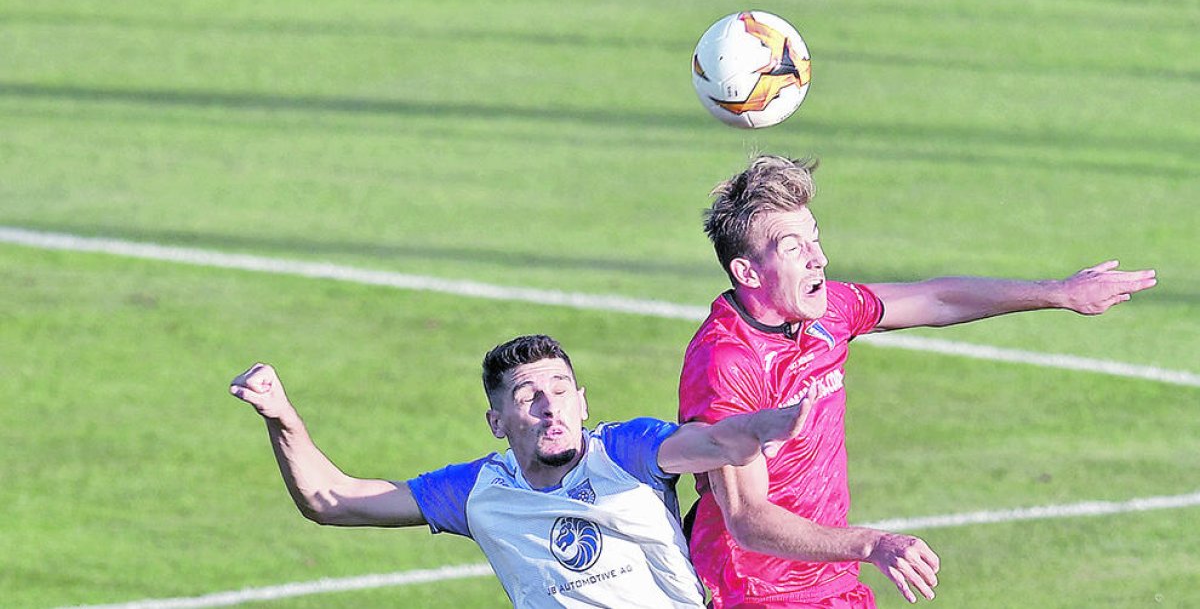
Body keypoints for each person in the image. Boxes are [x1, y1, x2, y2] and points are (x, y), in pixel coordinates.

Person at [678, 155, 1158, 608]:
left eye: (815, 239)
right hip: (755, 592)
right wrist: (873, 544)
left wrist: (1058, 293)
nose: (818, 258)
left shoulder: (828, 313)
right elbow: (747, 519)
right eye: (792, 248)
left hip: (832, 584)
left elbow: (937, 299)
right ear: (748, 272)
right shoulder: (728, 361)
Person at [230, 333, 816, 608]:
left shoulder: (628, 451)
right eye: (528, 394)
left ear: (582, 401)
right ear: (497, 420)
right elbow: (333, 501)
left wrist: (768, 426)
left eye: (561, 388)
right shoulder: (478, 490)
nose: (549, 404)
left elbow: (711, 441)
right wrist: (281, 417)